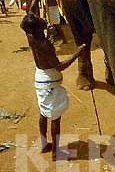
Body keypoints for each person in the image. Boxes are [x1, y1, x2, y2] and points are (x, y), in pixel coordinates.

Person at [20, 14, 85, 161]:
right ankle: (56, 152)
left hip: (40, 78)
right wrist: (78, 53)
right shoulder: (44, 44)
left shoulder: (30, 36)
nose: (42, 18)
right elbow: (60, 66)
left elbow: (29, 11)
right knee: (55, 117)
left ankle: (44, 144)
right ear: (37, 27)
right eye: (38, 20)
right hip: (49, 82)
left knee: (43, 112)